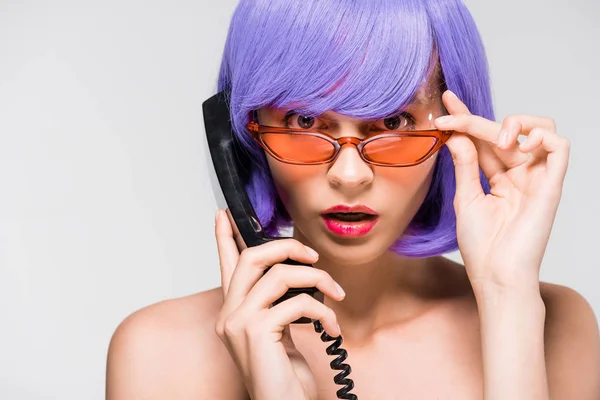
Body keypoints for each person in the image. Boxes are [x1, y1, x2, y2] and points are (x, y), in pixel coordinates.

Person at [105, 0, 600, 398]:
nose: (349, 174)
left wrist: (507, 296)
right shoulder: (159, 354)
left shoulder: (555, 326)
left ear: (456, 130)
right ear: (242, 137)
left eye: (392, 123)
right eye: (304, 122)